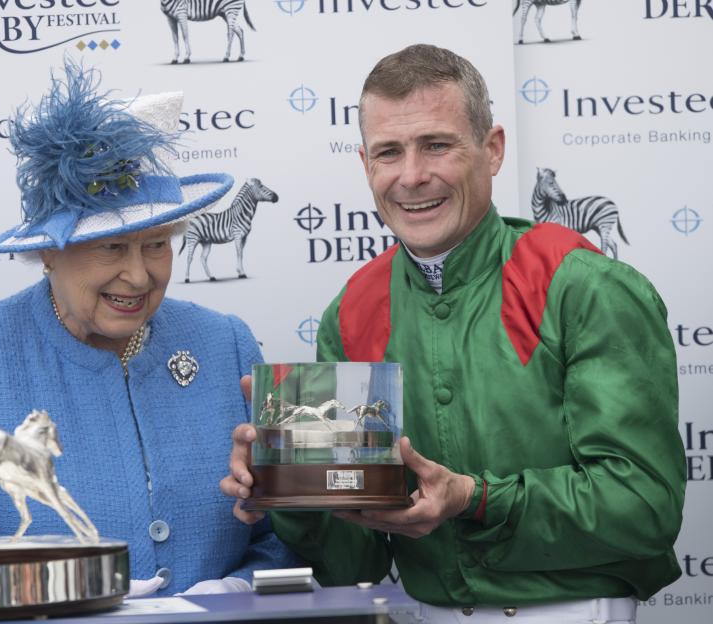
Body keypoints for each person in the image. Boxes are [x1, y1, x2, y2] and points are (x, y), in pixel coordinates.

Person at [221, 44, 685, 623]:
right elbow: (353, 563)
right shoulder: (354, 310)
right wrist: (288, 486)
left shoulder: (580, 284)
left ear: (492, 150)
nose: (412, 176)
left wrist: (475, 498)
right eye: (390, 152)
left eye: (436, 145)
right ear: (367, 165)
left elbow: (644, 508)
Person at [0, 61, 299, 596]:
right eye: (111, 247)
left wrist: (235, 591)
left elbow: (278, 540)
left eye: (157, 244)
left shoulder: (225, 342)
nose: (139, 274)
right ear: (49, 253)